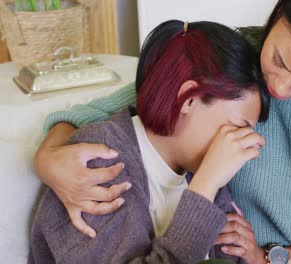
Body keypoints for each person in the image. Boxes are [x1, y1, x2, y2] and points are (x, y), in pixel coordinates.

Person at [34, 0, 291, 263]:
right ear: (278, 15)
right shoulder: (234, 58)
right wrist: (49, 159)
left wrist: (268, 259)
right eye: (278, 60)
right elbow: (108, 111)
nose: (278, 89)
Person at [29, 20, 269, 264]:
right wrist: (205, 185)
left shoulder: (197, 167)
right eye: (237, 128)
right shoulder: (99, 163)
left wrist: (247, 254)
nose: (241, 146)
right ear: (189, 99)